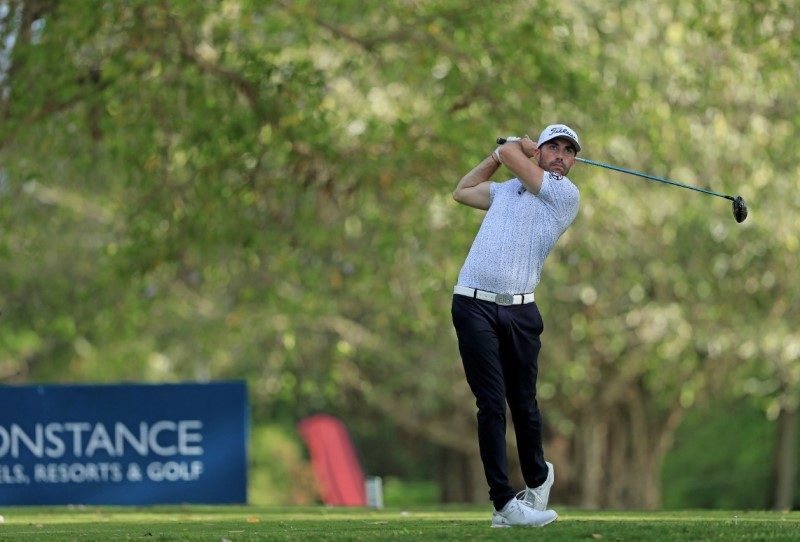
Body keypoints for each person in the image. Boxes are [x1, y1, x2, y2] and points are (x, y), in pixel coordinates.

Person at [450, 124, 581, 528]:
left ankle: (539, 475)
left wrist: (516, 147)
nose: (560, 154)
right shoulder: (506, 191)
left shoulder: (564, 195)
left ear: (574, 162)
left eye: (568, 151)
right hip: (472, 303)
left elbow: (510, 154)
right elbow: (462, 190)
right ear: (539, 154)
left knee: (524, 405)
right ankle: (504, 504)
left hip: (521, 313)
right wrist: (498, 155)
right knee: (491, 403)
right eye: (552, 147)